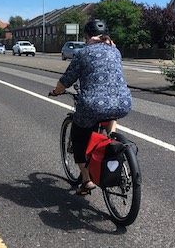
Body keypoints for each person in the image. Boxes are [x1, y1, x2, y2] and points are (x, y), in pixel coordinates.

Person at [49, 19, 132, 195]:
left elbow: (66, 80)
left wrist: (56, 92)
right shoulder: (115, 51)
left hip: (92, 105)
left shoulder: (83, 53)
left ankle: (86, 181)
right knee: (110, 112)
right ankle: (112, 140)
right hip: (123, 102)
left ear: (86, 36)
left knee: (78, 140)